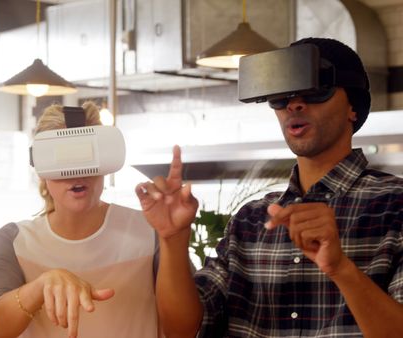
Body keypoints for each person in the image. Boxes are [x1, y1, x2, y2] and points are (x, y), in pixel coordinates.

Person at [136, 37, 403, 337]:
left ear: (353, 106)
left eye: (315, 91)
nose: (294, 104)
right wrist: (173, 238)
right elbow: (181, 329)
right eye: (281, 96)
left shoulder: (395, 207)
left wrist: (341, 269)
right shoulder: (251, 220)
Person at [0, 102, 197, 338]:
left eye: (86, 157)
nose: (78, 173)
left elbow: (184, 331)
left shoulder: (150, 231)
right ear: (41, 167)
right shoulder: (14, 241)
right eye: (64, 161)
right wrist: (40, 287)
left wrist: (173, 238)